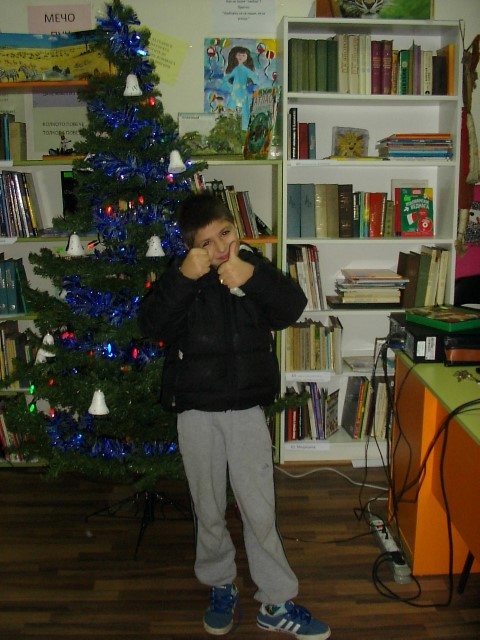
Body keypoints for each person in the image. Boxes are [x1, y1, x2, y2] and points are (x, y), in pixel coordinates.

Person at [137, 192, 331, 639]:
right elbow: (150, 325)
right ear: (191, 247)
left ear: (237, 229)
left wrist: (253, 277)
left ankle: (276, 600)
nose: (220, 248)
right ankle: (220, 585)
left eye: (225, 234)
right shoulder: (183, 276)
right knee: (207, 506)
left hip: (246, 410)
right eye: (206, 243)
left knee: (260, 509)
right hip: (195, 411)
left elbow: (291, 308)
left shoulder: (253, 267)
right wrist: (183, 279)